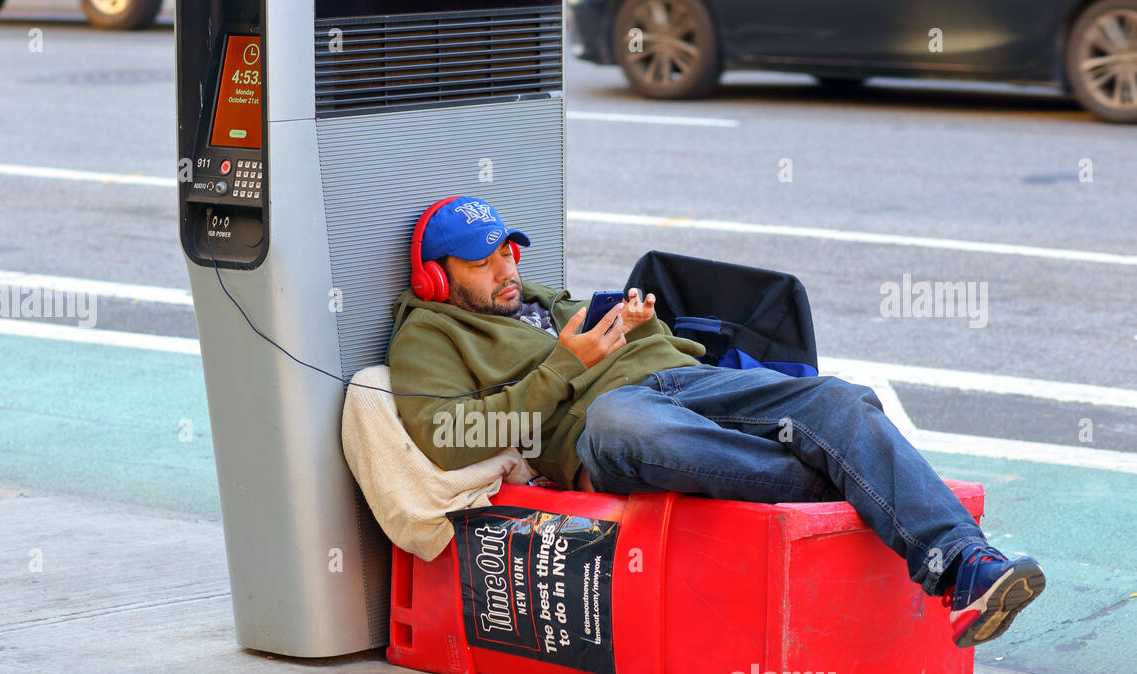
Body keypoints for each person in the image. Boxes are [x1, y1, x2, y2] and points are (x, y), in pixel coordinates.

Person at [386, 196, 1046, 648]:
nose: (506, 271)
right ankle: (856, 479)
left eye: (509, 253)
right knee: (630, 425)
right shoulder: (429, 336)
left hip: (680, 376)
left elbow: (624, 341)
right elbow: (449, 440)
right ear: (437, 279)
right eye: (483, 263)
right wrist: (564, 363)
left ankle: (968, 569)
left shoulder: (533, 296)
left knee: (840, 400)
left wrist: (641, 327)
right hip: (604, 421)